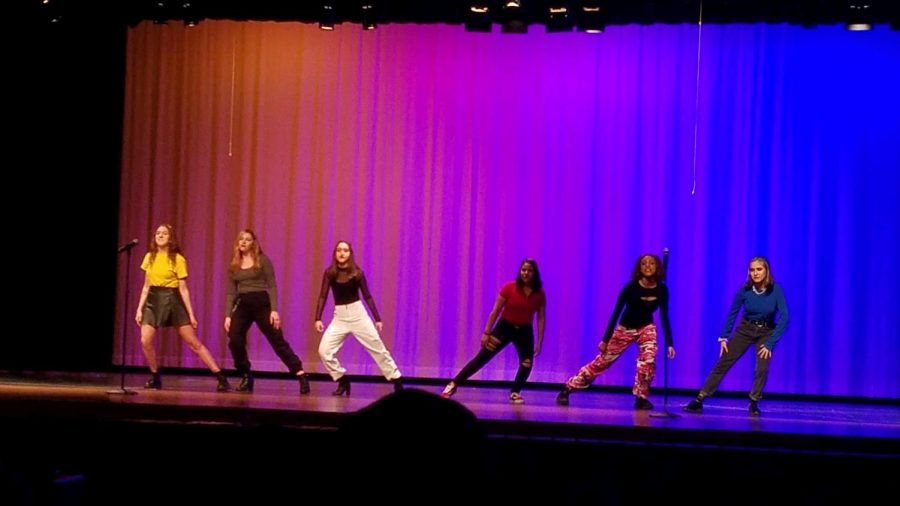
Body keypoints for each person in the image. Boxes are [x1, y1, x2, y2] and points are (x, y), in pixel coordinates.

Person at [556, 253, 675, 409]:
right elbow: (616, 313)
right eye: (644, 263)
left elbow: (664, 316)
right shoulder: (630, 288)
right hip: (625, 329)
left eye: (651, 263)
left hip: (646, 328)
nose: (648, 266)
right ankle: (568, 388)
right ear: (639, 268)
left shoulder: (662, 290)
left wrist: (670, 344)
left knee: (648, 362)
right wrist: (605, 340)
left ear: (657, 267)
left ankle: (641, 397)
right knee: (602, 362)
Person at [683, 256, 789, 416]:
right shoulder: (744, 290)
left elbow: (785, 317)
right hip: (745, 329)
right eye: (752, 270)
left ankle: (754, 401)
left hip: (766, 332)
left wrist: (770, 343)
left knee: (762, 368)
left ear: (766, 271)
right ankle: (700, 398)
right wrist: (724, 337)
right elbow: (733, 314)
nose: (755, 273)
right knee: (723, 362)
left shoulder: (776, 290)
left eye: (759, 269)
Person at [134, 224, 229, 391]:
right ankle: (155, 376)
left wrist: (191, 315)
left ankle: (220, 376)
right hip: (152, 300)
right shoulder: (149, 257)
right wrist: (139, 308)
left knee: (193, 342)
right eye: (158, 233)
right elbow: (146, 286)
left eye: (164, 233)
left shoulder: (178, 259)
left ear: (170, 238)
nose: (160, 235)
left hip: (172, 299)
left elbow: (183, 289)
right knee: (145, 340)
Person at [441, 259, 546, 404]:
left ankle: (515, 392)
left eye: (529, 270)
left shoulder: (539, 294)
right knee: (482, 358)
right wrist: (487, 332)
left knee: (526, 363)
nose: (526, 273)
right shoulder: (509, 288)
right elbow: (495, 311)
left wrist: (539, 342)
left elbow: (540, 318)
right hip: (505, 327)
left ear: (535, 273)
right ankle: (453, 384)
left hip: (524, 331)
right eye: (523, 270)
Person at [225, 229, 310, 394]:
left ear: (253, 243)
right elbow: (231, 292)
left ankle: (300, 374)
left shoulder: (263, 260)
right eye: (241, 239)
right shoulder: (234, 264)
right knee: (235, 340)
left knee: (277, 339)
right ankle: (246, 375)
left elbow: (272, 285)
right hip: (242, 304)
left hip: (262, 303)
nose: (243, 242)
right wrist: (228, 315)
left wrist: (274, 310)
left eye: (247, 239)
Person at [315, 240, 402, 395]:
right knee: (324, 350)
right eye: (339, 250)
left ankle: (397, 380)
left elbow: (367, 296)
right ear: (335, 253)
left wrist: (377, 319)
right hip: (340, 316)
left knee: (377, 347)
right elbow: (323, 296)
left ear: (350, 254)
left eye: (345, 250)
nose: (342, 253)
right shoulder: (330, 273)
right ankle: (342, 380)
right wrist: (318, 318)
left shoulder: (357, 273)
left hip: (358, 315)